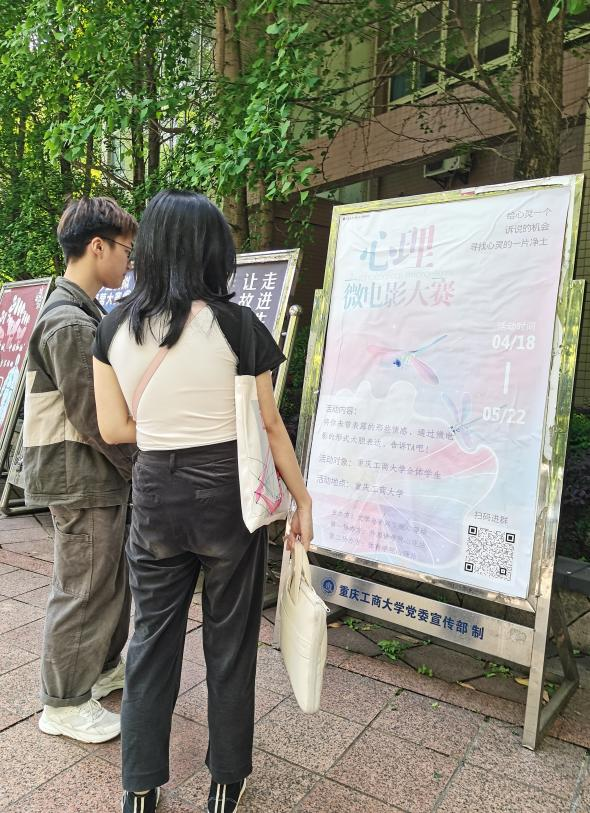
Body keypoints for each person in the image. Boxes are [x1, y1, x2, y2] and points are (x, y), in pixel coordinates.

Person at [92, 189, 313, 813]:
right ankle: (225, 782)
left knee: (150, 643)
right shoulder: (238, 326)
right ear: (214, 252)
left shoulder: (112, 328)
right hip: (227, 497)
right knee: (231, 642)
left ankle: (140, 788)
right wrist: (301, 500)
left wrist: (168, 427)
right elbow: (270, 427)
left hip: (155, 495)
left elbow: (113, 428)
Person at [23, 196, 137, 743]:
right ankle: (64, 704)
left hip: (93, 472)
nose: (129, 262)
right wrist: (141, 466)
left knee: (108, 581)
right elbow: (96, 419)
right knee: (85, 586)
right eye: (126, 250)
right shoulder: (69, 323)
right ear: (98, 247)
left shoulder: (82, 312)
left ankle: (101, 669)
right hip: (81, 473)